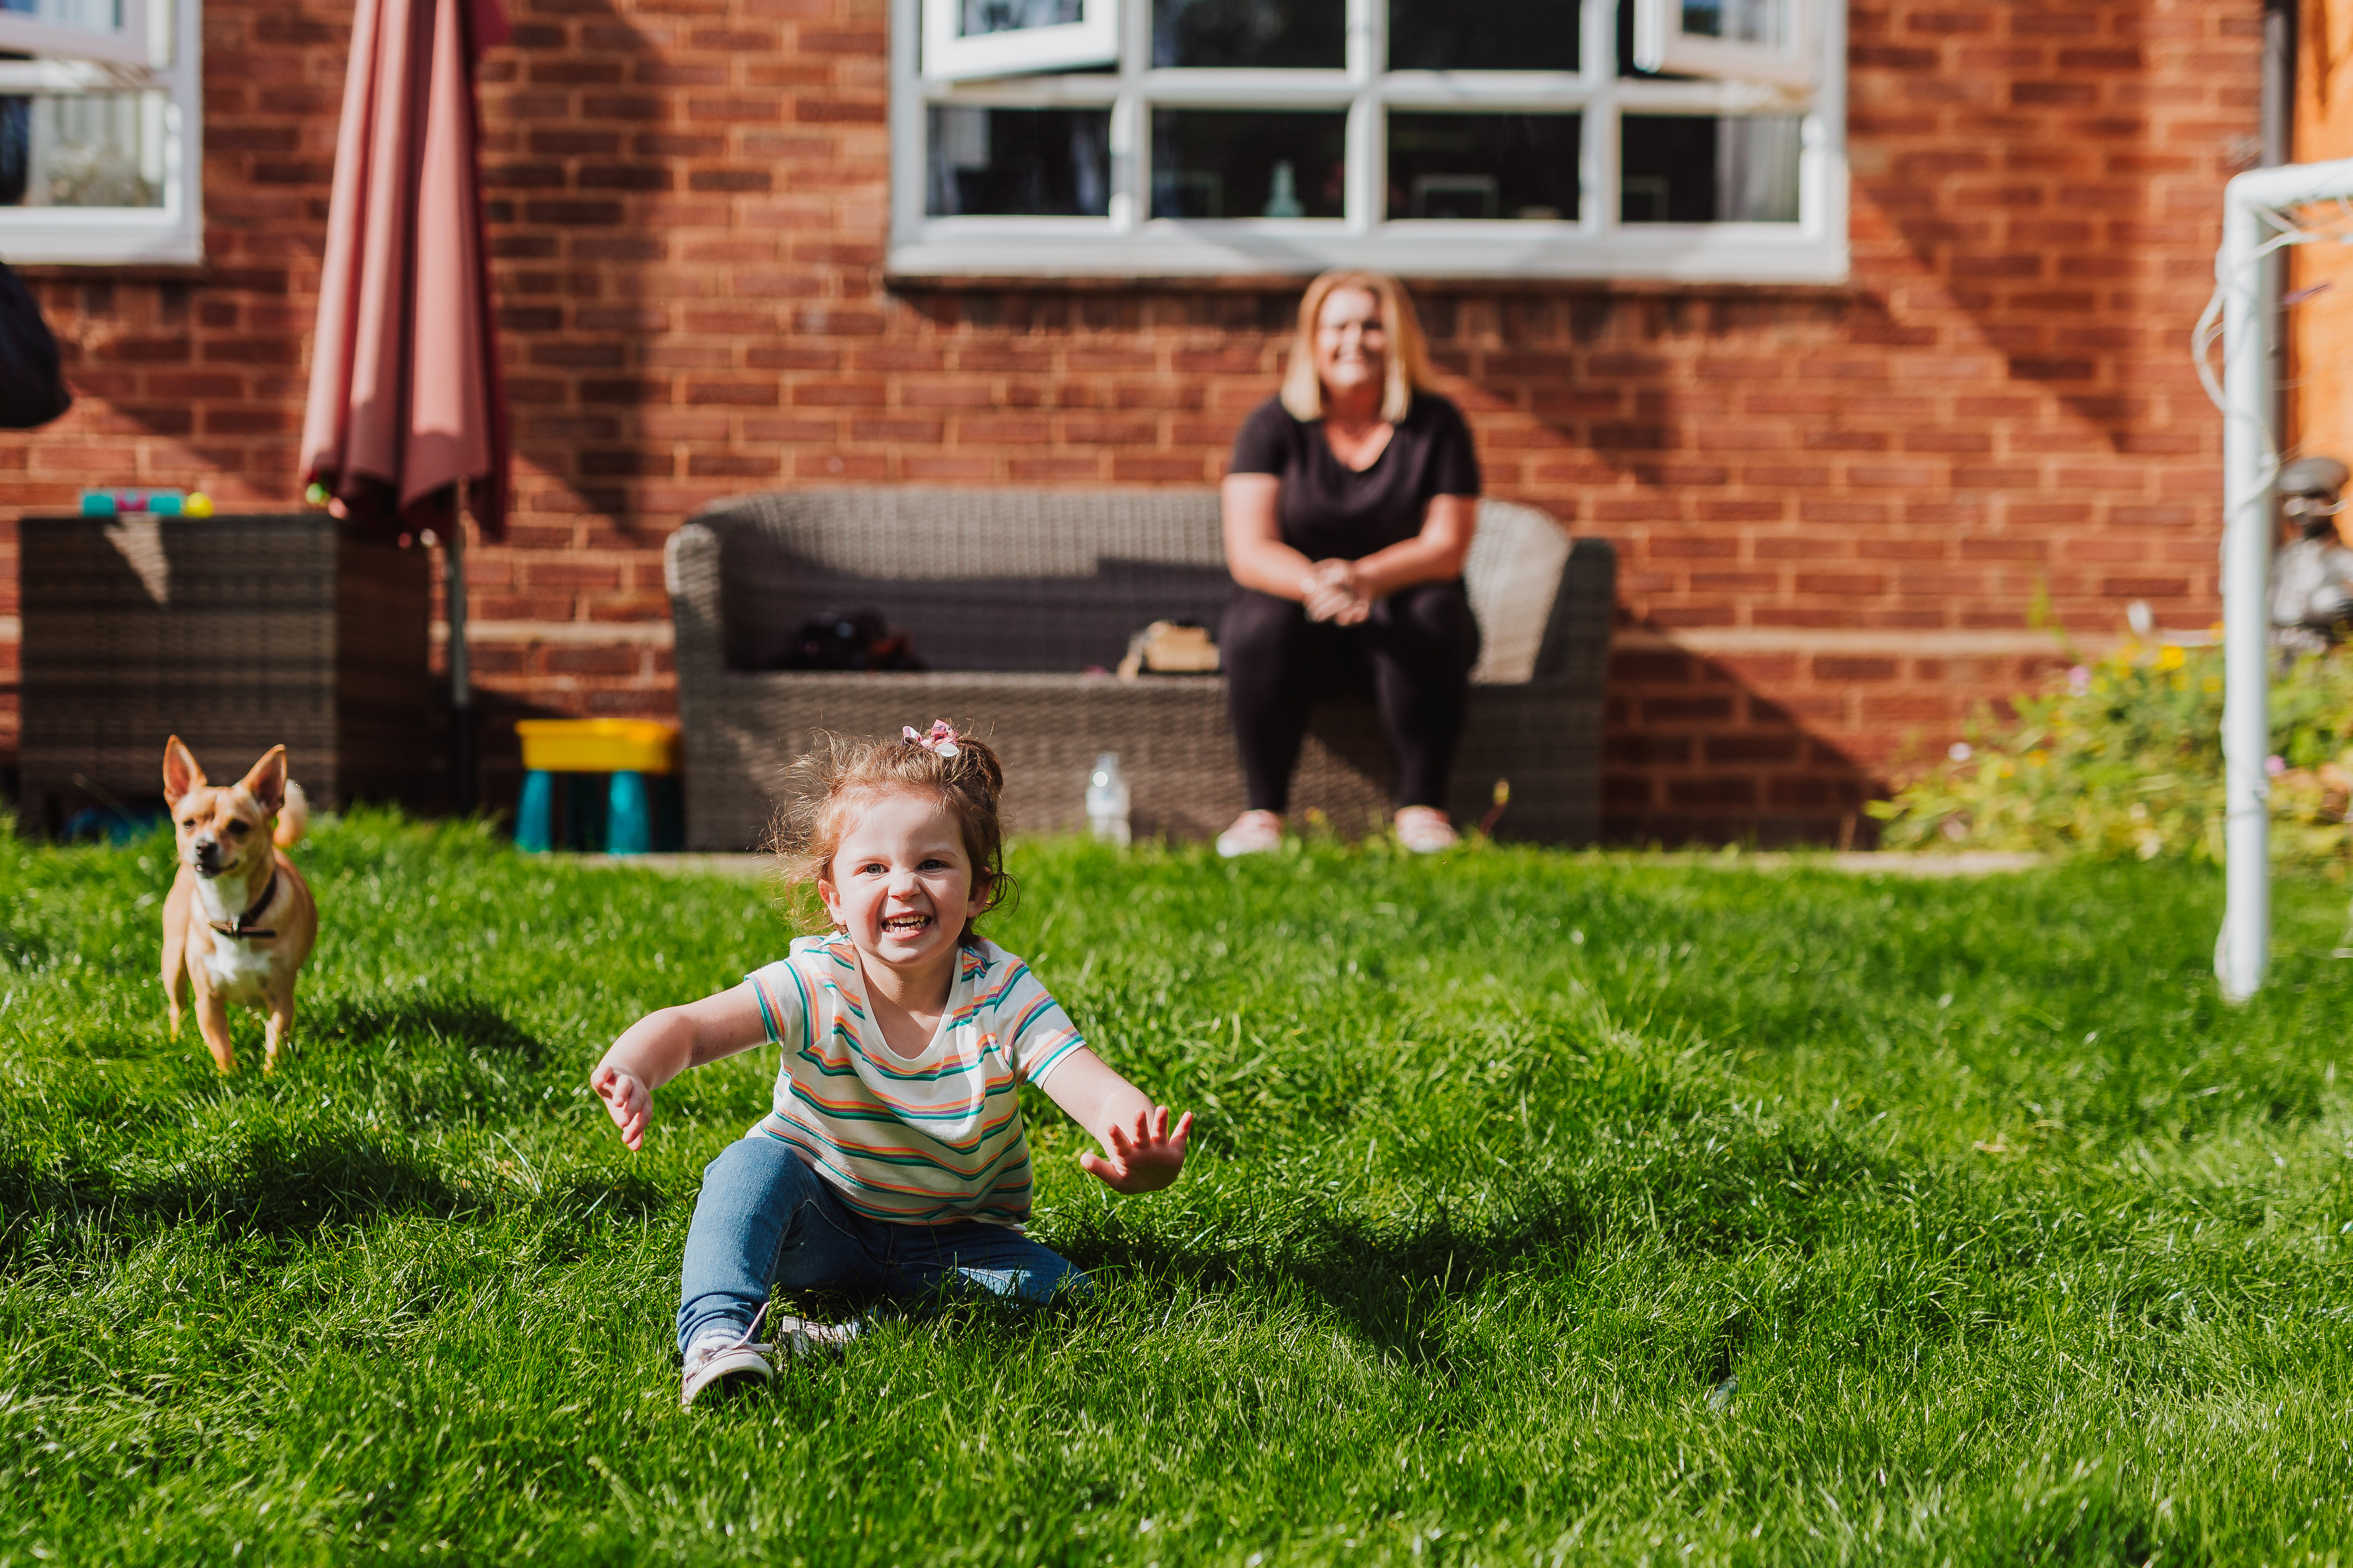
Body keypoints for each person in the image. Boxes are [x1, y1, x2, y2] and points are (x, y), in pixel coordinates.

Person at [590, 720, 1193, 1407]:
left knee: (1062, 1292)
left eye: (932, 863)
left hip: (950, 1240)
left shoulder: (1000, 991)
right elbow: (691, 1028)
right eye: (873, 867)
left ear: (979, 890)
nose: (903, 885)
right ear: (833, 897)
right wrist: (635, 1064)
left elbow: (1088, 1081)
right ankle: (719, 1333)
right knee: (748, 1168)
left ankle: (842, 1335)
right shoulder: (818, 980)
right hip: (821, 1224)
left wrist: (1141, 1144)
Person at [1216, 269, 1482, 858]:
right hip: (1302, 629)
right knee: (1259, 619)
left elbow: (1446, 546)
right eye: (1338, 326)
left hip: (1404, 629)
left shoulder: (1437, 425)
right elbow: (1249, 550)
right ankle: (1262, 814)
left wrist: (1366, 579)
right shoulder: (1272, 425)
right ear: (1313, 340)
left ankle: (1423, 810)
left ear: (1398, 339)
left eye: (1371, 325)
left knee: (1432, 608)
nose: (1353, 340)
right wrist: (1319, 583)